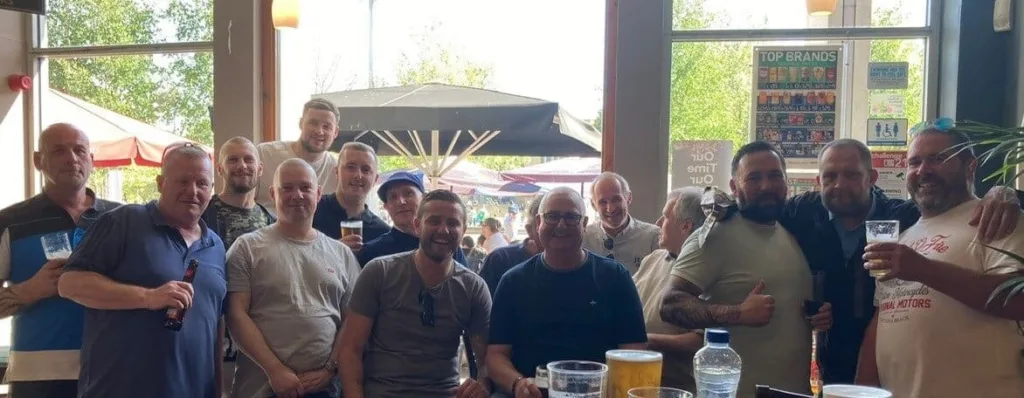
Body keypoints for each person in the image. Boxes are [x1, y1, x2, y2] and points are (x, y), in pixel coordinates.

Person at [779, 138, 1021, 383]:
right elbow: (884, 312)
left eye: (851, 175)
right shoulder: (805, 213)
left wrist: (1005, 192)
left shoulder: (903, 218)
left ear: (871, 177)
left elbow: (1016, 297)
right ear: (819, 181)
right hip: (841, 370)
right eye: (830, 176)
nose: (839, 185)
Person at [856, 127, 1024, 397]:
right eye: (914, 162)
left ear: (970, 167)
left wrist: (923, 269)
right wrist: (861, 391)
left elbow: (1018, 299)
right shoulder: (905, 236)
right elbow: (883, 319)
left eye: (938, 158)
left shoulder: (998, 217)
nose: (924, 170)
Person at [660, 141, 833, 396]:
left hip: (794, 392)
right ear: (733, 186)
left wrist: (818, 317)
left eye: (774, 176)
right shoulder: (714, 235)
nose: (766, 185)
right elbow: (671, 304)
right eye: (754, 178)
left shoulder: (789, 234)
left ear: (786, 182)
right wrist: (737, 313)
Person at [58, 144, 226, 398]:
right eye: (182, 181)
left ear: (211, 191)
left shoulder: (216, 246)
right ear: (160, 183)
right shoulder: (123, 221)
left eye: (202, 184)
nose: (193, 191)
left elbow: (214, 326)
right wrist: (148, 297)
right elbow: (69, 283)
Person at [486, 187, 647, 398]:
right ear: (538, 222)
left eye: (571, 217)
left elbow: (634, 351)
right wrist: (518, 384)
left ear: (584, 223)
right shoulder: (513, 281)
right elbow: (496, 355)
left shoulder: (615, 277)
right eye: (552, 216)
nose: (561, 225)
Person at [0, 123, 119, 398]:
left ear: (92, 159)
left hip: (113, 369)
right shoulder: (10, 222)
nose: (72, 158)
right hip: (38, 377)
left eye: (79, 150)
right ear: (38, 160)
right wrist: (29, 290)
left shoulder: (123, 219)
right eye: (59, 151)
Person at [226, 159, 360, 398]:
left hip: (325, 389)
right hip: (261, 388)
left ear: (318, 194)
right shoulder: (246, 248)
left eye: (305, 188)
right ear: (272, 193)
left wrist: (330, 368)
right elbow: (235, 315)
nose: (296, 195)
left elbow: (352, 320)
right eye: (286, 188)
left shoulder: (342, 254)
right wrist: (275, 370)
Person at [338, 190, 491, 398]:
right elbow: (350, 350)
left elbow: (486, 359)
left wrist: (483, 383)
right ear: (417, 226)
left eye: (453, 223)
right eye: (434, 221)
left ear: (463, 230)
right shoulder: (380, 272)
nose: (443, 230)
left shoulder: (473, 287)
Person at [632, 187, 706, 392]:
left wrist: (645, 341)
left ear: (686, 226)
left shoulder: (705, 271)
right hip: (636, 376)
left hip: (677, 386)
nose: (657, 224)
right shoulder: (653, 259)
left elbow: (701, 340)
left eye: (665, 217)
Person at [356, 171, 469, 267]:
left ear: (423, 199)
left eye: (408, 193)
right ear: (386, 207)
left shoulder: (445, 243)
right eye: (393, 197)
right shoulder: (372, 252)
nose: (401, 201)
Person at [255, 99, 341, 214]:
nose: (319, 131)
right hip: (265, 228)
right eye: (313, 123)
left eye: (327, 127)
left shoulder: (338, 171)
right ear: (301, 123)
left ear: (335, 132)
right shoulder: (264, 153)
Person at [312, 142, 389, 251]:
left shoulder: (382, 233)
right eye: (351, 167)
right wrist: (335, 250)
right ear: (337, 172)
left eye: (366, 169)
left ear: (375, 180)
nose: (358, 175)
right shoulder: (312, 211)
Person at [202, 137, 276, 249]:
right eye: (232, 160)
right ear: (219, 169)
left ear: (260, 169)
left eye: (248, 159)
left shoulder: (271, 223)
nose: (242, 166)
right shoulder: (202, 215)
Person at [583, 172, 660, 274]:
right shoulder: (583, 238)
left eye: (616, 199)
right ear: (594, 205)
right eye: (603, 202)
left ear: (628, 198)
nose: (610, 209)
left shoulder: (653, 237)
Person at [478, 197, 543, 296]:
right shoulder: (499, 259)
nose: (561, 226)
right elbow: (482, 306)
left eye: (571, 218)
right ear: (529, 230)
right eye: (551, 218)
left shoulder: (572, 266)